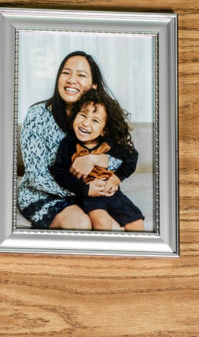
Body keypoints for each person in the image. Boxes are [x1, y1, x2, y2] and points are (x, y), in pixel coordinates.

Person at [18, 51, 124, 230]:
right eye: (66, 73)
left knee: (112, 226)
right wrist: (84, 191)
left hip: (88, 194)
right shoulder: (37, 115)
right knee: (81, 223)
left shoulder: (101, 117)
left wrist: (96, 159)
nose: (71, 80)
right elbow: (37, 178)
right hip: (43, 194)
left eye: (81, 75)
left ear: (93, 86)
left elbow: (124, 157)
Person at [50, 89, 145, 231]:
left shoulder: (110, 144)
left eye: (95, 120)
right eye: (82, 115)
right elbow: (59, 172)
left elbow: (131, 157)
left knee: (136, 222)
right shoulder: (68, 143)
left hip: (112, 193)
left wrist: (115, 179)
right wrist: (86, 189)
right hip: (88, 196)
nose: (85, 123)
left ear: (104, 130)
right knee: (102, 222)